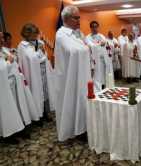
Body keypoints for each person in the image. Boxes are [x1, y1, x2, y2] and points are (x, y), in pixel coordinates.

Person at [54, 5, 92, 142]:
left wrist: (85, 47)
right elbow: (74, 51)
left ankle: (81, 127)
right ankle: (75, 129)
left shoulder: (76, 34)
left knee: (82, 100)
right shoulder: (61, 34)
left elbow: (83, 48)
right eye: (76, 18)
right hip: (69, 77)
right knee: (72, 102)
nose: (79, 20)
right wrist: (85, 47)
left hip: (80, 74)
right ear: (67, 18)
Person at [17, 23, 54, 122]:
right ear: (27, 34)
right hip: (32, 74)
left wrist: (42, 53)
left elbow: (44, 56)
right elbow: (30, 59)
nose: (36, 35)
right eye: (34, 33)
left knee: (45, 92)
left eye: (36, 33)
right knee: (36, 93)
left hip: (43, 72)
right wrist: (39, 53)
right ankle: (37, 115)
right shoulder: (22, 46)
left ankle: (46, 112)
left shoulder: (40, 42)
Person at [0, 31, 25, 144]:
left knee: (15, 106)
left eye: (2, 38)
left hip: (10, 82)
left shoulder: (2, 50)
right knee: (6, 109)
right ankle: (8, 134)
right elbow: (1, 70)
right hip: (3, 86)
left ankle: (16, 130)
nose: (3, 40)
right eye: (0, 38)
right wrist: (8, 62)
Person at [86, 21, 114, 91]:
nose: (94, 28)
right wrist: (99, 45)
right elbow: (90, 46)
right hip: (94, 61)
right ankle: (96, 90)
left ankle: (104, 89)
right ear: (90, 28)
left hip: (102, 60)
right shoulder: (88, 37)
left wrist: (106, 43)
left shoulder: (101, 36)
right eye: (93, 27)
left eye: (96, 26)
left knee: (103, 76)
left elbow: (108, 45)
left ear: (98, 27)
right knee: (96, 77)